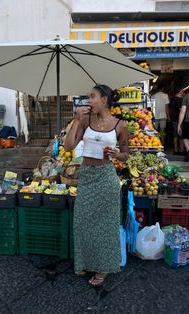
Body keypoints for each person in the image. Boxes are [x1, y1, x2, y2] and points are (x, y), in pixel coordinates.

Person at [64, 84, 129, 287]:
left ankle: (103, 269)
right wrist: (75, 119)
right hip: (87, 177)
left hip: (106, 177)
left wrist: (116, 154)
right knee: (82, 222)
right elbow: (68, 146)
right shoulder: (84, 120)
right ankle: (85, 261)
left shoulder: (120, 125)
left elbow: (126, 154)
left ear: (104, 100)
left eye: (92, 97)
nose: (89, 101)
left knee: (106, 226)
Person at [169, 86, 184, 154]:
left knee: (175, 134)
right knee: (180, 134)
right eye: (182, 89)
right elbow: (181, 110)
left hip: (174, 118)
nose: (183, 91)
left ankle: (175, 149)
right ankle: (181, 150)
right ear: (180, 90)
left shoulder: (173, 98)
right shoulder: (179, 99)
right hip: (179, 119)